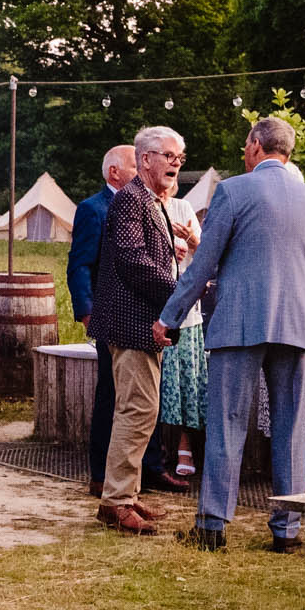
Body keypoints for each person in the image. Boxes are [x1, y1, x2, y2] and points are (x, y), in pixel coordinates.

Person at [157, 116, 305, 553]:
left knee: (227, 423)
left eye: (247, 144)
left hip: (240, 323)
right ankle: (287, 531)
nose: (244, 152)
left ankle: (212, 527)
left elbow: (203, 265)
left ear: (258, 146)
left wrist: (169, 317)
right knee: (291, 428)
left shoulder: (233, 191)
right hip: (297, 329)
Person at [92, 127, 190, 534]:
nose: (175, 163)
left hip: (140, 322)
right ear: (145, 159)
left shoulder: (151, 200)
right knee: (138, 411)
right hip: (132, 324)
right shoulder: (133, 200)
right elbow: (133, 260)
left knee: (136, 411)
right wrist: (180, 291)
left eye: (179, 158)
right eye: (168, 155)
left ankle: (124, 495)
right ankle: (117, 501)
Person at [69, 143, 149, 498]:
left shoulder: (145, 203)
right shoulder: (93, 208)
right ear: (114, 172)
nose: (140, 171)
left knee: (137, 400)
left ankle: (137, 476)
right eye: (135, 165)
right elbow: (80, 262)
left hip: (140, 316)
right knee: (110, 395)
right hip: (107, 315)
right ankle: (101, 475)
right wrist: (86, 310)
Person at [156, 176, 209, 485]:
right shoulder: (144, 208)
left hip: (186, 312)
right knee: (161, 385)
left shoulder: (183, 208)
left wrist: (191, 241)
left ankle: (185, 447)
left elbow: (205, 259)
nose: (168, 184)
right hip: (155, 307)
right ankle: (158, 448)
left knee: (188, 380)